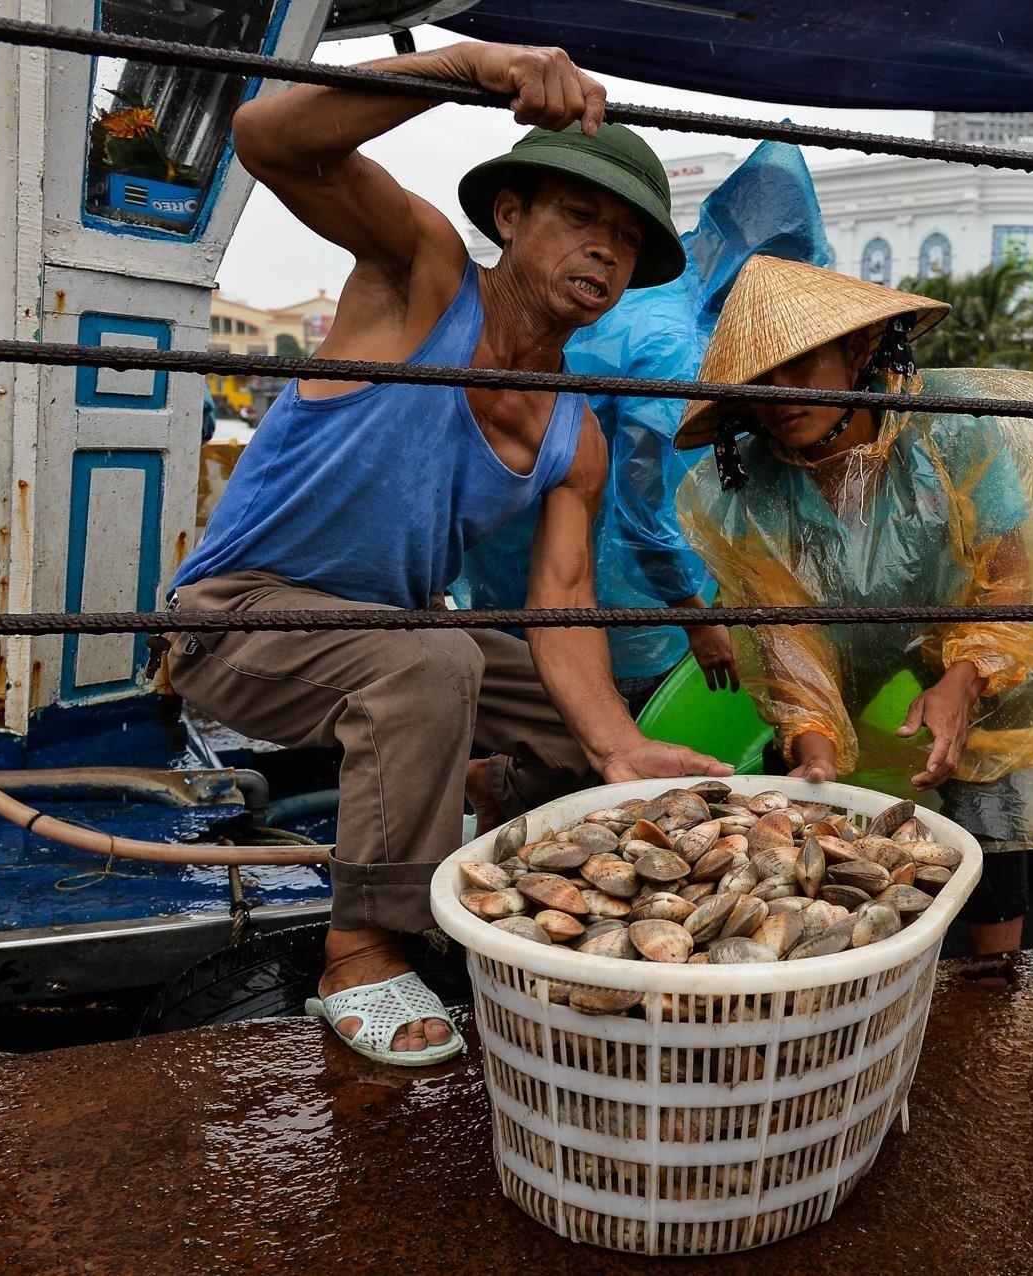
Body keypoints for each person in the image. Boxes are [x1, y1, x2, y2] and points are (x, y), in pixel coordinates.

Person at [163, 42, 728, 1067]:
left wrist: (614, 747)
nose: (605, 252)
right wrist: (469, 69)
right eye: (581, 217)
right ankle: (362, 950)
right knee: (434, 660)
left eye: (627, 242)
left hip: (392, 636)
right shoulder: (420, 277)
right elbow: (267, 138)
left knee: (576, 715)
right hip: (238, 620)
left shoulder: (574, 435)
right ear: (509, 216)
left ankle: (522, 875)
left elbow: (563, 608)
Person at [674, 257, 1033, 955]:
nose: (780, 394)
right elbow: (790, 646)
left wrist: (964, 679)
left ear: (859, 350)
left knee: (991, 783)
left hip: (964, 628)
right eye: (761, 378)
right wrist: (815, 754)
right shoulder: (755, 488)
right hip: (843, 647)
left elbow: (1008, 581)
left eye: (801, 364)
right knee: (798, 801)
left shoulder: (952, 432)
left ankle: (995, 975)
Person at [453, 141, 835, 710]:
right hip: (616, 616)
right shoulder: (673, 340)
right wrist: (692, 614)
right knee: (604, 733)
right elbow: (643, 498)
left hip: (506, 585)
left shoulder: (652, 298)